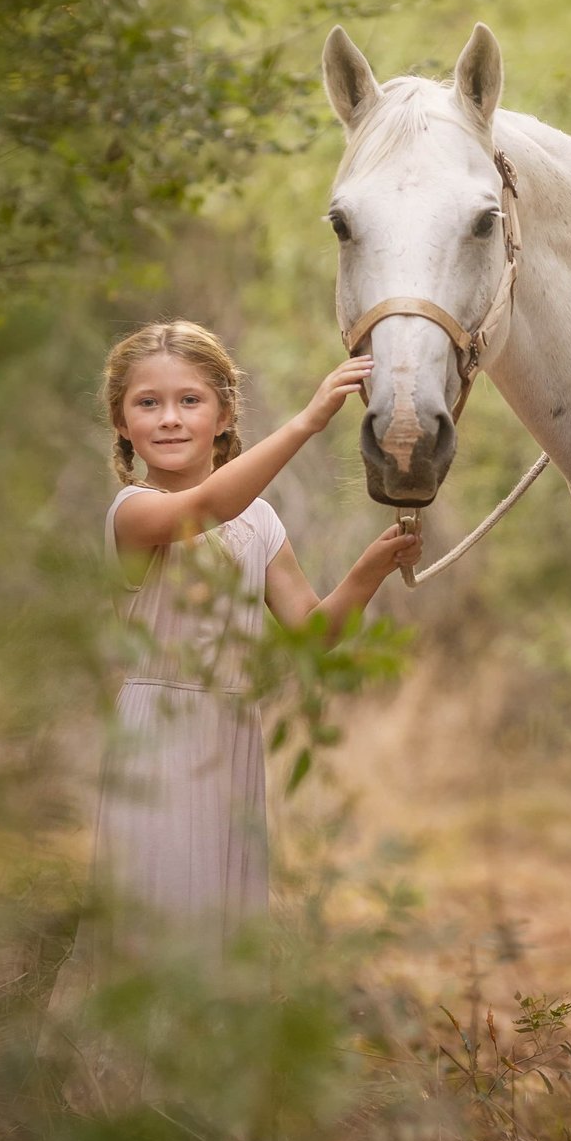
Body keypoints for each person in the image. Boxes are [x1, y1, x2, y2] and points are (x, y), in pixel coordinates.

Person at [86, 320, 420, 962]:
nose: (170, 419)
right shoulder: (132, 511)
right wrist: (308, 422)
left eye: (190, 400)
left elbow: (313, 636)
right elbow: (206, 508)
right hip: (157, 735)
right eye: (147, 403)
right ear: (122, 423)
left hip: (230, 732)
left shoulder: (260, 521)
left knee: (220, 921)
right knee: (159, 921)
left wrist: (368, 572)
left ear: (224, 412)